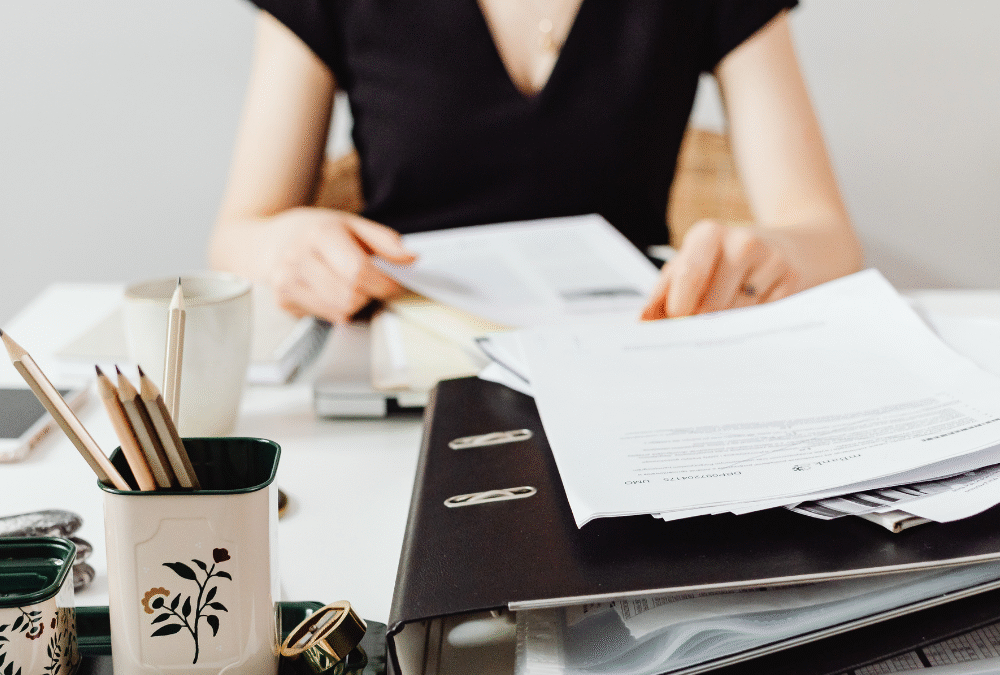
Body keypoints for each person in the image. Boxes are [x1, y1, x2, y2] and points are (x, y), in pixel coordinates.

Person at [210, 0, 863, 324]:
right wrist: (286, 246)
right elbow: (239, 231)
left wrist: (769, 256)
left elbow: (826, 236)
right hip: (406, 363)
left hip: (629, 356)